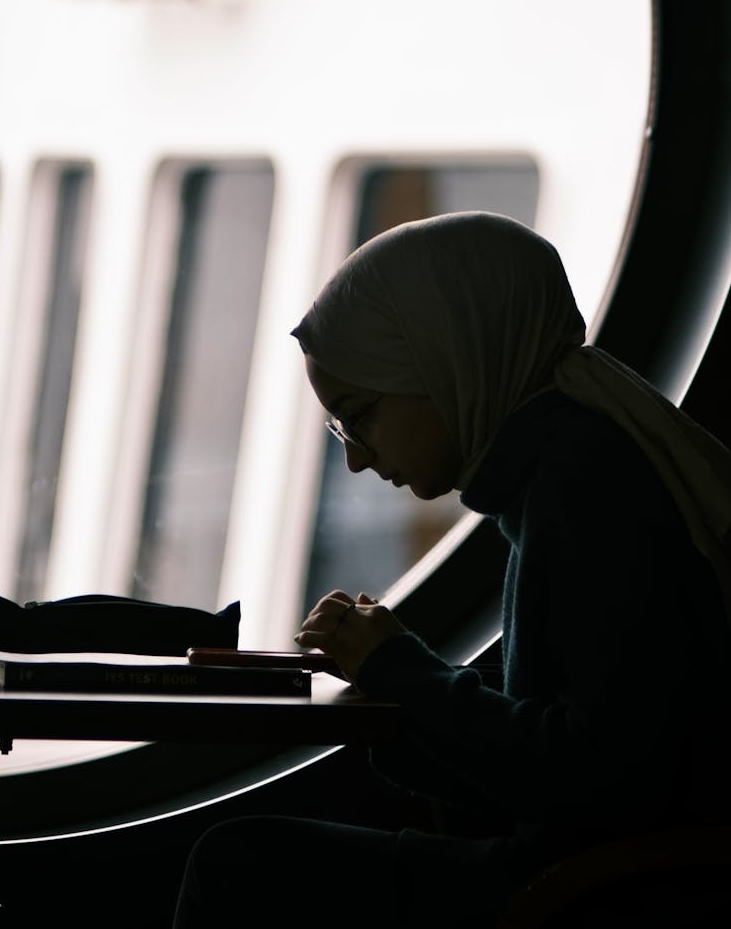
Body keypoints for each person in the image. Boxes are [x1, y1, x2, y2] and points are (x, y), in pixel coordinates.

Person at [173, 211, 731, 927]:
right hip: (583, 874)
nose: (356, 456)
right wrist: (393, 684)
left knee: (238, 867)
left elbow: (592, 777)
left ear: (444, 359)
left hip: (580, 890)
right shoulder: (565, 469)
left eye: (359, 415)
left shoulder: (584, 486)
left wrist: (402, 670)